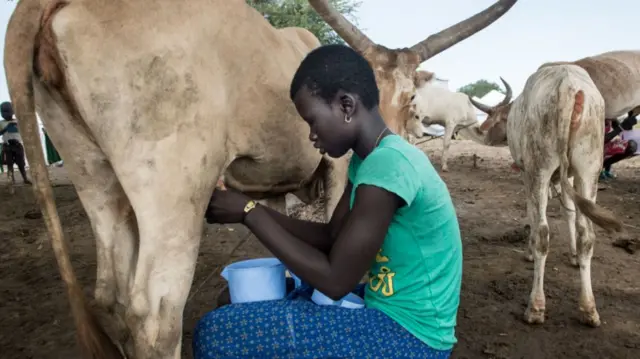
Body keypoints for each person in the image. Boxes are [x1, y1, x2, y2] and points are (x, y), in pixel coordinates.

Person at [194, 44, 463, 359]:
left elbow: (336, 280)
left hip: (412, 339)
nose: (312, 135)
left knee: (216, 333)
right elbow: (330, 237)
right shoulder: (369, 160)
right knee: (233, 299)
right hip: (388, 309)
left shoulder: (389, 166)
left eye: (313, 120)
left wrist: (250, 213)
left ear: (346, 106)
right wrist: (247, 210)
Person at [0, 102, 31, 185]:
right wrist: (6, 128)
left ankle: (25, 178)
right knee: (9, 164)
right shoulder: (1, 123)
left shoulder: (17, 121)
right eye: (3, 112)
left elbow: (25, 132)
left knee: (21, 163)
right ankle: (11, 180)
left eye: (8, 112)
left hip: (17, 145)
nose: (6, 114)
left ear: (13, 112)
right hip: (7, 146)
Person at [601, 112, 637, 180]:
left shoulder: (611, 116)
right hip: (592, 150)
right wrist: (622, 127)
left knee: (631, 146)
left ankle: (605, 170)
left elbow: (623, 131)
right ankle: (597, 169)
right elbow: (600, 141)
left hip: (605, 147)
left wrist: (629, 119)